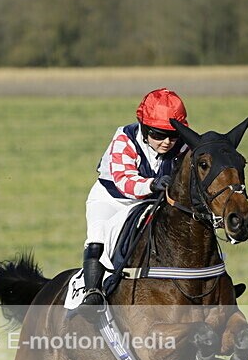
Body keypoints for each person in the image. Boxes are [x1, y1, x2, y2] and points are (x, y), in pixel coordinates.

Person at [81, 88, 189, 306]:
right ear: (144, 127)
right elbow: (124, 180)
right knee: (98, 236)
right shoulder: (124, 138)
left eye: (173, 135)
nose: (167, 142)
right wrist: (152, 183)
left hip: (154, 200)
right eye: (158, 134)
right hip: (113, 199)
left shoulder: (183, 144)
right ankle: (92, 292)